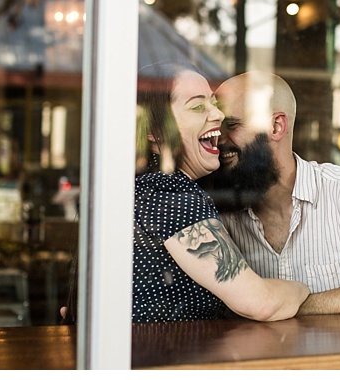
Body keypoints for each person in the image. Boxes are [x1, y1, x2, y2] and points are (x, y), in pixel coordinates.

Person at [208, 71, 340, 315]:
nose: (219, 139)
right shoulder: (216, 212)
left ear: (276, 126)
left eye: (231, 125)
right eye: (215, 128)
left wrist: (287, 306)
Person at [131, 62, 309, 322]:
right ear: (154, 130)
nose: (218, 115)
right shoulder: (172, 194)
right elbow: (261, 303)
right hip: (161, 358)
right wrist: (302, 290)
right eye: (198, 106)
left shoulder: (144, 186)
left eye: (213, 103)